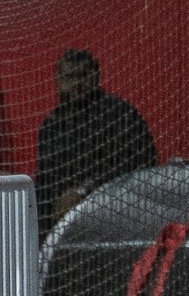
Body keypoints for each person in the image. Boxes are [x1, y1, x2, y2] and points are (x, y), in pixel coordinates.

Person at [36, 49, 157, 235]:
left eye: (83, 76)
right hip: (62, 224)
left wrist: (83, 191)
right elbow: (45, 178)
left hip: (116, 216)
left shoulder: (120, 115)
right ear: (58, 81)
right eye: (70, 77)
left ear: (96, 76)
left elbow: (140, 166)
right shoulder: (52, 124)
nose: (77, 83)